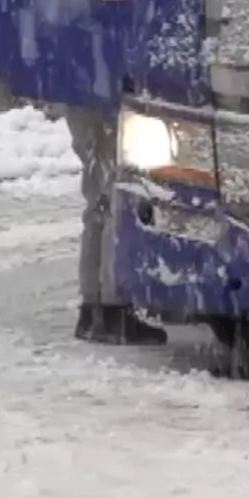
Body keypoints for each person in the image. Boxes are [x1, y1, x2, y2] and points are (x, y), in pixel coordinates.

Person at [64, 106, 168, 345]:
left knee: (98, 205)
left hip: (81, 101)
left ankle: (92, 309)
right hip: (105, 105)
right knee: (114, 203)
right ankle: (112, 310)